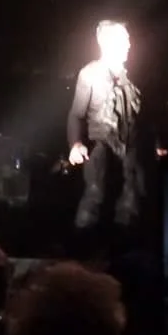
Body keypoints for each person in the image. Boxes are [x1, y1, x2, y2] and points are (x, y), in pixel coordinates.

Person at [68, 21, 143, 230]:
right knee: (95, 194)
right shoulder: (90, 74)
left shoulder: (133, 77)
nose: (129, 45)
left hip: (131, 150)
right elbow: (76, 114)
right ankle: (85, 238)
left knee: (131, 200)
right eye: (123, 40)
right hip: (101, 146)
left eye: (128, 40)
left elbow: (143, 117)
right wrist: (75, 143)